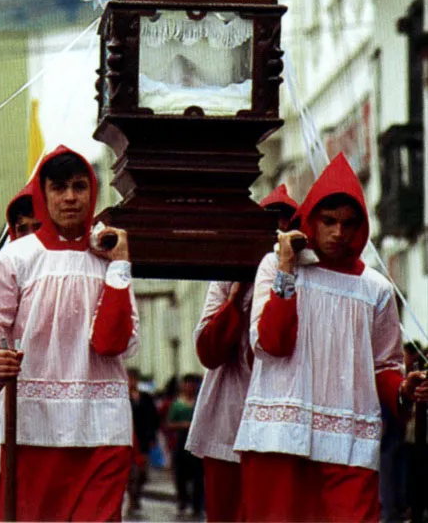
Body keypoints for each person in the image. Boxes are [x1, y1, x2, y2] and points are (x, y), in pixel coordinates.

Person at [235, 152, 428, 522]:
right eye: (329, 221)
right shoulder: (274, 266)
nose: (339, 233)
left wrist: (404, 389)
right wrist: (288, 269)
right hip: (280, 437)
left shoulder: (376, 289)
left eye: (349, 223)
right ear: (310, 220)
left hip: (348, 440)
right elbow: (272, 343)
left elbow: (384, 366)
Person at [0, 145, 139, 522]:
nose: (70, 197)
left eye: (79, 186)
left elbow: (111, 342)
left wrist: (120, 267)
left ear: (93, 192)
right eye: (59, 188)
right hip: (32, 429)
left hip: (101, 427)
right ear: (44, 195)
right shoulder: (17, 258)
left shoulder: (109, 257)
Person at [186, 184, 298, 522]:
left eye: (284, 228)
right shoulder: (226, 276)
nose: (275, 239)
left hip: (279, 422)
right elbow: (208, 351)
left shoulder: (304, 277)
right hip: (228, 421)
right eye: (268, 230)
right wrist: (235, 297)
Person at [167, 374, 204, 519]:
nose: (190, 387)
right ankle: (182, 502)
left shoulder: (199, 403)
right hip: (181, 442)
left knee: (198, 477)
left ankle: (196, 506)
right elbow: (169, 423)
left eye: (192, 384)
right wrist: (182, 425)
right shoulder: (177, 404)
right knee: (181, 476)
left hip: (197, 444)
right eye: (187, 384)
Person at [126, 367, 160, 515]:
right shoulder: (121, 397)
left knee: (142, 473)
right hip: (127, 439)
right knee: (131, 473)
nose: (131, 382)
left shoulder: (145, 397)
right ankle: (132, 500)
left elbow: (153, 418)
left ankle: (136, 495)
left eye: (133, 378)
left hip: (143, 439)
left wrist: (152, 437)